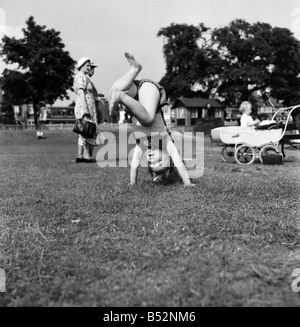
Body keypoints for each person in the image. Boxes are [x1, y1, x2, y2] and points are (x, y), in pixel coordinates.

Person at [109, 52, 195, 187]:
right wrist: (188, 183)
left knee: (112, 91)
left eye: (151, 163)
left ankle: (134, 70)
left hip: (137, 94)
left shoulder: (142, 144)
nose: (152, 159)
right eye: (159, 161)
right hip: (149, 91)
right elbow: (179, 162)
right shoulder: (166, 142)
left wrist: (132, 183)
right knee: (148, 120)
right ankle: (121, 96)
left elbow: (134, 165)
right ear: (168, 156)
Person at [73, 57, 98, 163]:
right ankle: (87, 156)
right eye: (87, 65)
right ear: (81, 66)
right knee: (87, 130)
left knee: (83, 130)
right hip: (85, 107)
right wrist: (85, 108)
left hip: (86, 106)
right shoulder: (81, 76)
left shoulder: (83, 76)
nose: (89, 67)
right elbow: (81, 92)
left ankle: (80, 155)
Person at [86, 60, 99, 160]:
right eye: (91, 67)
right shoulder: (86, 79)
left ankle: (89, 154)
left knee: (91, 130)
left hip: (92, 107)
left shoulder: (89, 79)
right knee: (89, 130)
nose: (92, 70)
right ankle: (88, 155)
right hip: (88, 108)